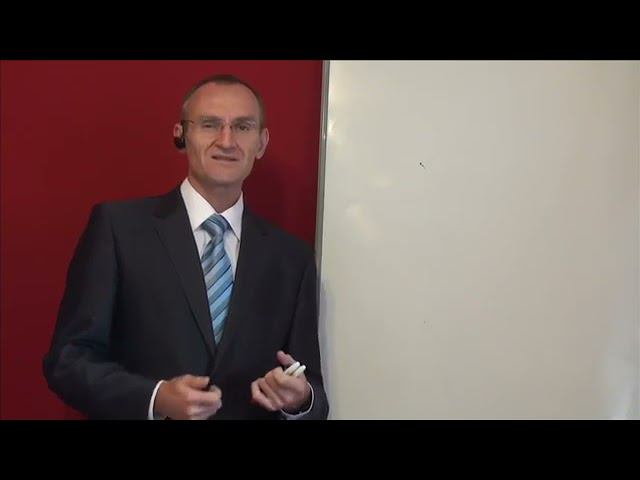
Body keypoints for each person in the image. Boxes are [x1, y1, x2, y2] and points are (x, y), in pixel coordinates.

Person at [43, 74, 329, 420]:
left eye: (242, 127)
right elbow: (68, 361)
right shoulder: (119, 229)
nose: (227, 141)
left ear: (261, 142)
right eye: (210, 125)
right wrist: (156, 398)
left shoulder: (292, 259)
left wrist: (299, 400)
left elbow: (314, 395)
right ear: (181, 135)